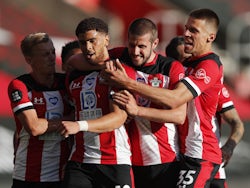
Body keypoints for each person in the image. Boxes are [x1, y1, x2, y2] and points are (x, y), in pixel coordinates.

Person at [102, 8, 224, 188]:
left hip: (201, 151)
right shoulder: (186, 64)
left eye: (194, 31)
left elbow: (175, 99)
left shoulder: (209, 65)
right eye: (187, 28)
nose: (186, 34)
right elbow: (96, 57)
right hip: (183, 151)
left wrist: (129, 87)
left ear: (210, 37)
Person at [67, 18, 187, 188]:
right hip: (132, 159)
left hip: (165, 159)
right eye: (131, 45)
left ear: (155, 43)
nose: (135, 52)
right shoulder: (120, 58)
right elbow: (75, 60)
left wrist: (136, 109)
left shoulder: (170, 68)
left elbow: (179, 114)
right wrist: (103, 66)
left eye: (142, 47)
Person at [60, 17, 135, 188]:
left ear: (106, 39)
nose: (88, 47)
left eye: (92, 41)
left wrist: (79, 125)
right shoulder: (73, 75)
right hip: (79, 161)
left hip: (114, 160)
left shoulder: (117, 73)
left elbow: (118, 118)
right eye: (83, 42)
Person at [166, 36, 245, 188]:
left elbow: (237, 123)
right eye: (184, 60)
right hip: (181, 158)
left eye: (192, 58)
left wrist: (228, 147)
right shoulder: (168, 86)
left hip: (207, 157)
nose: (190, 65)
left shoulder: (210, 85)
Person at [8, 32, 72, 188]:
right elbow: (34, 127)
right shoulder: (20, 85)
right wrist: (73, 120)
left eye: (52, 52)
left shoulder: (67, 83)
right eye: (45, 54)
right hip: (28, 175)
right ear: (29, 60)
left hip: (62, 175)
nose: (51, 58)